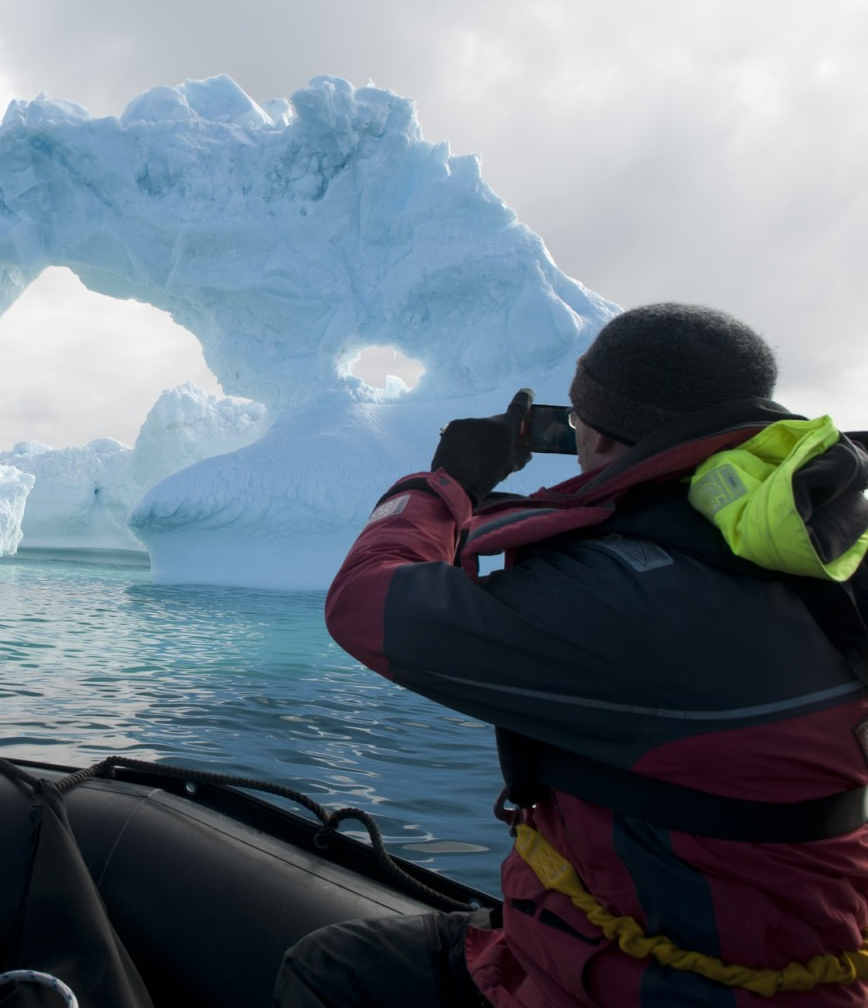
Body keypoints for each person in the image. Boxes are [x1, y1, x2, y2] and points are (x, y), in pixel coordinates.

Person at [277, 303, 868, 1006]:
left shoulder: (628, 593)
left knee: (331, 971)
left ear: (603, 437)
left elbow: (367, 604)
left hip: (654, 980)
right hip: (781, 947)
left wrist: (446, 486)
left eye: (581, 417)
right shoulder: (825, 555)